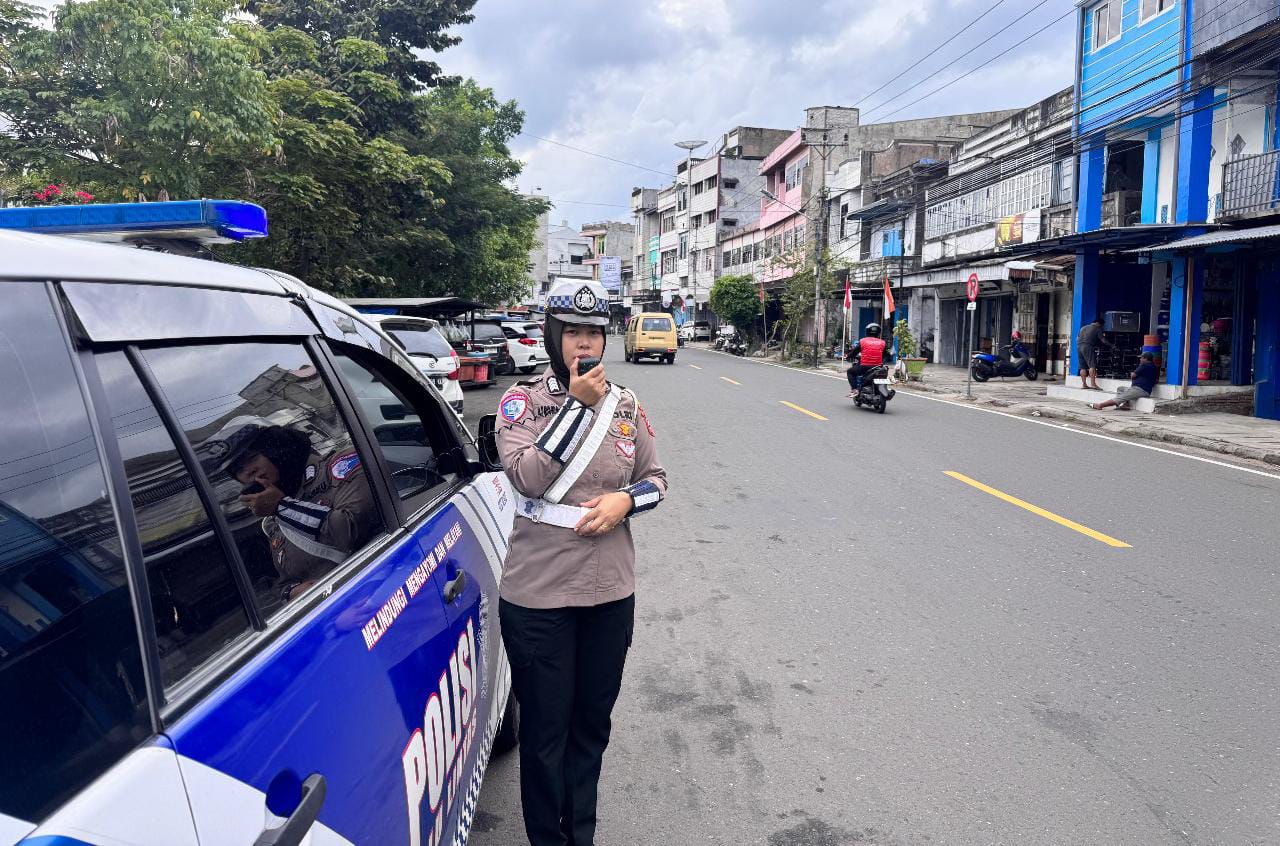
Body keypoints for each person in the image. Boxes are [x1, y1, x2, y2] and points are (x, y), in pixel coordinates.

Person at [496, 280, 667, 846]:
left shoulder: (628, 408)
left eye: (593, 332)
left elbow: (656, 481)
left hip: (609, 593)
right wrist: (577, 406)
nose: (585, 343)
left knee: (591, 729)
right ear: (554, 338)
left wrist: (626, 500)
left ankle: (581, 837)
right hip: (540, 596)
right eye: (573, 332)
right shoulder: (522, 402)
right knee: (546, 734)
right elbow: (527, 477)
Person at [209, 418, 378, 602]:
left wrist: (283, 507)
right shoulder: (272, 522)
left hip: (371, 591)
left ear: (276, 448)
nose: (249, 471)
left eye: (252, 458)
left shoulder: (337, 469)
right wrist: (291, 593)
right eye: (238, 470)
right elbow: (280, 584)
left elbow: (350, 529)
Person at [1091, 352, 1159, 411]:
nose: (1140, 359)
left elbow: (1133, 375)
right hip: (1142, 389)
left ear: (1146, 359)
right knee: (1120, 389)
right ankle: (1126, 405)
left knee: (1121, 397)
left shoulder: (1144, 365)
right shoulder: (1154, 367)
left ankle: (1100, 405)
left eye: (1141, 358)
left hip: (1140, 389)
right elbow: (1156, 380)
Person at [846, 322, 891, 396]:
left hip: (864, 366)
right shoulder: (883, 343)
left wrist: (848, 357)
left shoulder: (863, 341)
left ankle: (854, 390)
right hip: (878, 367)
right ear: (879, 332)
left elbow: (854, 352)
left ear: (867, 331)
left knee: (850, 372)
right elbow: (886, 354)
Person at [1076, 316, 1109, 390]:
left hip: (1079, 346)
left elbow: (1077, 338)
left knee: (1082, 367)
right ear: (1098, 323)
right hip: (1088, 346)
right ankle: (1093, 384)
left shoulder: (1083, 327)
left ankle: (1084, 384)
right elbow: (1103, 340)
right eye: (1101, 325)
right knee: (1092, 365)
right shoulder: (1097, 328)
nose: (1101, 327)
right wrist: (1112, 345)